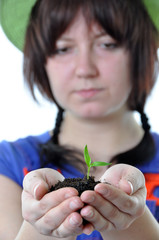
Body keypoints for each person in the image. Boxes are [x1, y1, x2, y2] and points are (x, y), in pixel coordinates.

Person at [0, 0, 159, 239]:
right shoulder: (9, 165)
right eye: (63, 48)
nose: (84, 69)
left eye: (107, 44)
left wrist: (130, 222)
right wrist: (42, 226)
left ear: (143, 51)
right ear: (42, 61)